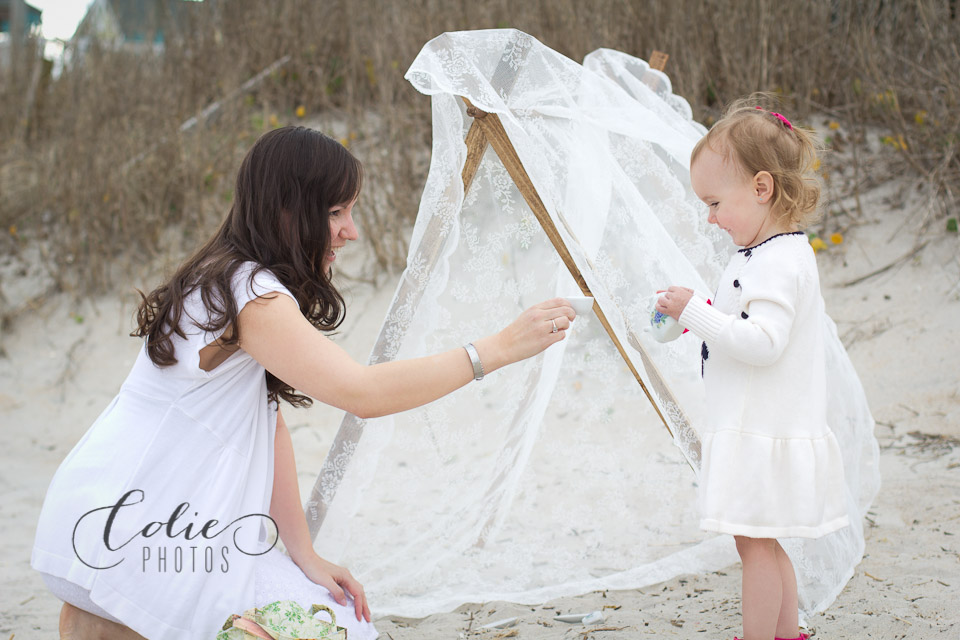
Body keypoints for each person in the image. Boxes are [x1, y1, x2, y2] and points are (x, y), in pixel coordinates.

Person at [30, 126, 576, 640]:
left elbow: (270, 428)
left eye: (351, 211)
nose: (350, 231)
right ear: (287, 210)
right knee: (336, 627)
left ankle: (104, 622)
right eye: (335, 212)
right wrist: (496, 349)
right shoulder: (251, 293)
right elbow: (362, 393)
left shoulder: (220, 275)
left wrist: (304, 554)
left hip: (105, 523)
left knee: (334, 612)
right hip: (146, 539)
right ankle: (112, 618)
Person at [655, 99, 849, 640]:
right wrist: (694, 319)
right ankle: (789, 634)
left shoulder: (782, 259)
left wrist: (696, 310)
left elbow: (764, 343)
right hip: (752, 426)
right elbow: (739, 331)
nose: (710, 217)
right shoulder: (759, 253)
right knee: (760, 539)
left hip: (765, 431)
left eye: (715, 202)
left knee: (754, 543)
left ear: (762, 188)